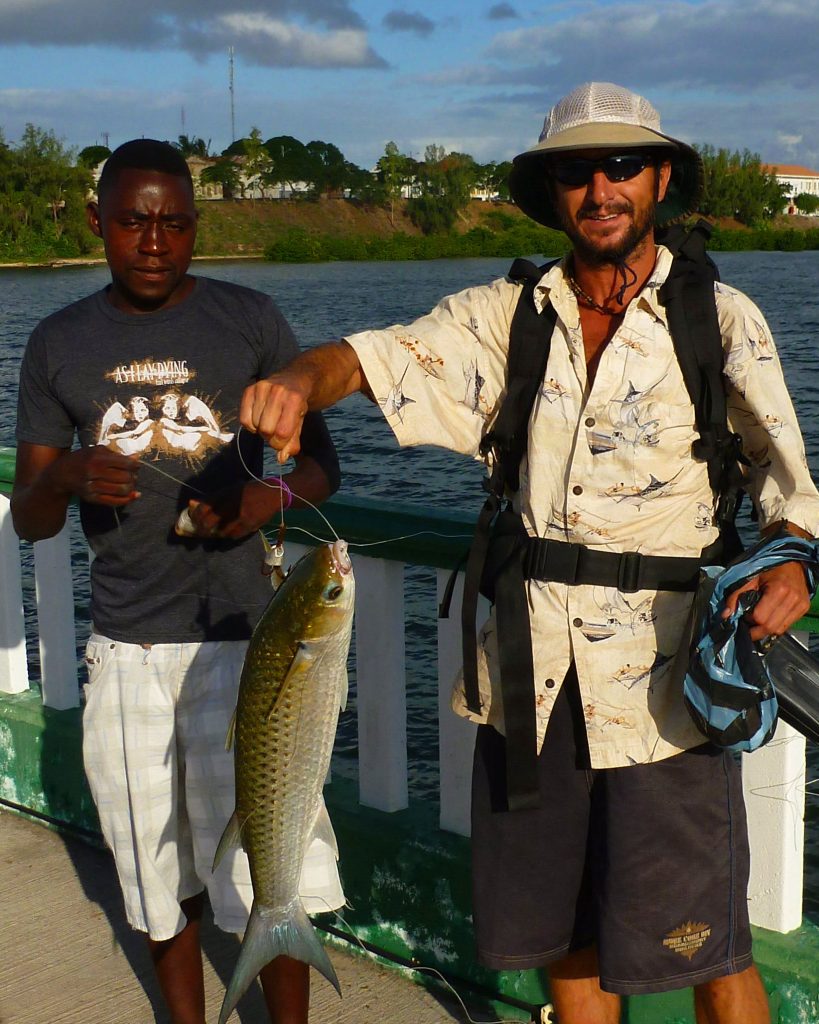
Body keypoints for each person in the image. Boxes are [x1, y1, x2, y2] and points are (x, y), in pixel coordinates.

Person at [237, 82, 819, 1024]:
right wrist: (301, 378)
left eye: (622, 164)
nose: (600, 187)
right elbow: (376, 357)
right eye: (575, 170)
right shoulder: (499, 318)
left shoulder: (724, 320)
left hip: (669, 685)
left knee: (710, 945)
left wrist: (789, 557)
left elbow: (788, 485)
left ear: (660, 177)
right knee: (563, 938)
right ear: (550, 190)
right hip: (528, 684)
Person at [11, 139, 344, 1024]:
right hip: (127, 650)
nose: (153, 241)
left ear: (196, 226)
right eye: (132, 221)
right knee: (159, 878)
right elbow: (29, 515)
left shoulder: (251, 320)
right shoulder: (58, 342)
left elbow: (321, 471)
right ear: (98, 224)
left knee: (271, 870)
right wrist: (69, 476)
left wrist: (258, 499)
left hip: (250, 649)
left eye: (173, 222)